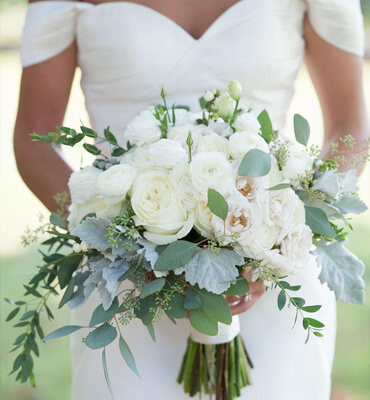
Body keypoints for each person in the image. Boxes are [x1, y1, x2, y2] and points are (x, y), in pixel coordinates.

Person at [14, 0, 369, 399]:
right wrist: (122, 242)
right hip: (129, 294)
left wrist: (280, 234)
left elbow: (349, 127)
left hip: (274, 278)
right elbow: (35, 140)